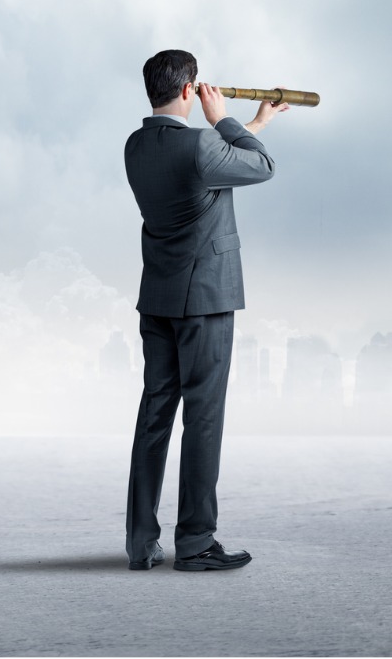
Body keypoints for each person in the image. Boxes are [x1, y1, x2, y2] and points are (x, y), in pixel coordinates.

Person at [122, 49, 290, 572]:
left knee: (154, 416)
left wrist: (251, 123)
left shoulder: (136, 146)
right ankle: (195, 542)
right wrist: (227, 120)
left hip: (159, 297)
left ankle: (140, 543)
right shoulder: (202, 143)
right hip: (206, 300)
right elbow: (262, 166)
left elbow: (210, 166)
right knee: (203, 417)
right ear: (189, 90)